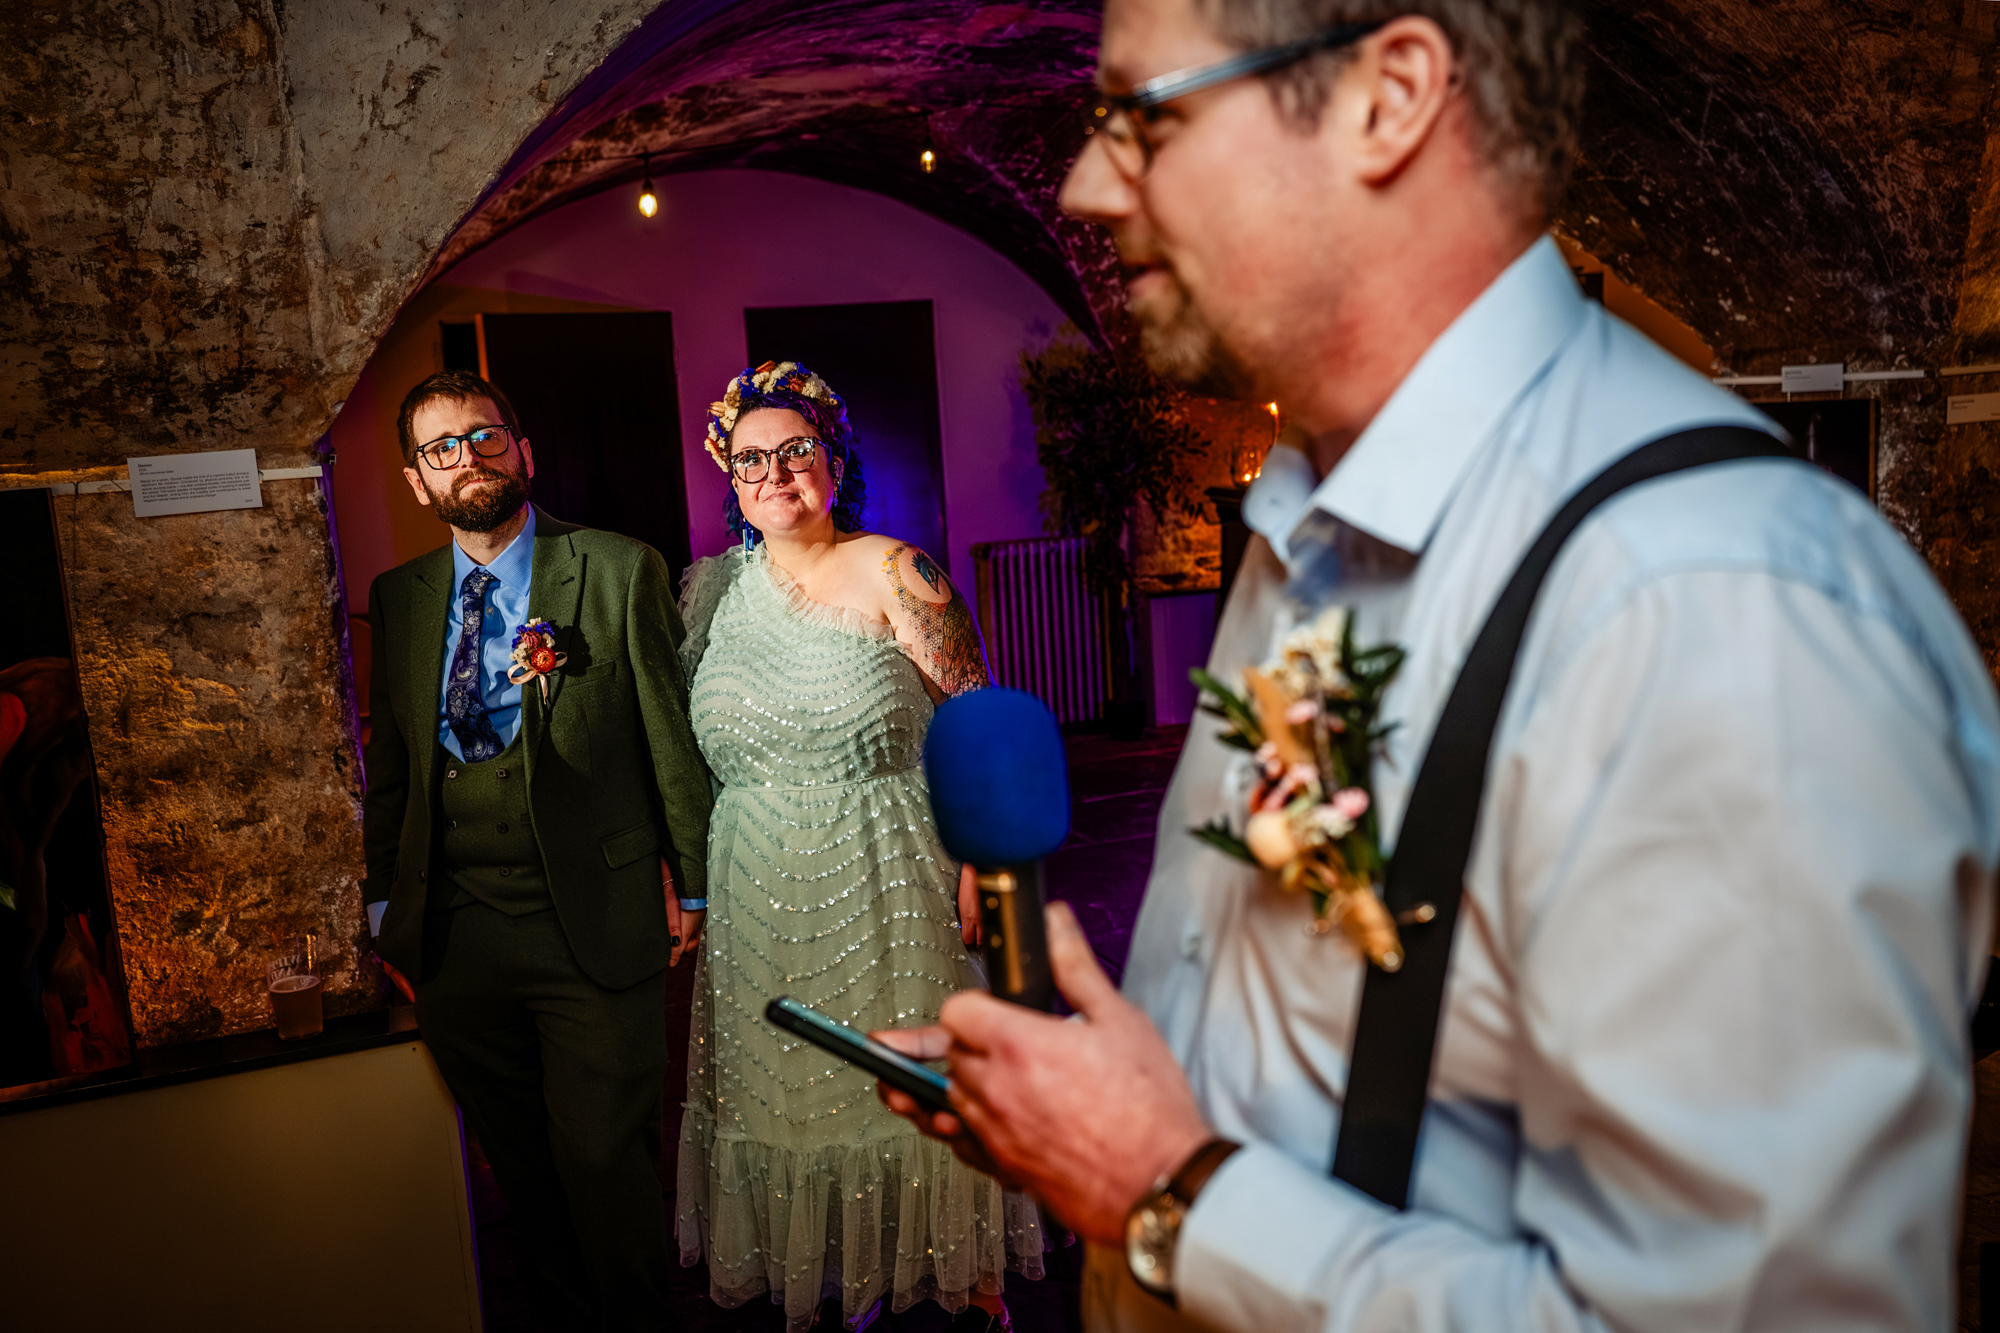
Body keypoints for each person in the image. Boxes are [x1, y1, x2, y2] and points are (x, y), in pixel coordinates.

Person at [877, 1, 2000, 1329]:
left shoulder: (1713, 611)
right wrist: (1099, 1102)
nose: (1086, 182)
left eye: (1146, 116)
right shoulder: (1311, 512)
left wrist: (1172, 1193)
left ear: (1389, 94)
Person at [674, 361, 1040, 1332]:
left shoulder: (896, 568)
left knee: (903, 1080)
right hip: (755, 874)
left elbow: (980, 722)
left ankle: (955, 1274)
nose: (775, 473)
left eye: (796, 450)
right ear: (730, 478)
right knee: (794, 1093)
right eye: (751, 459)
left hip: (887, 866)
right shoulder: (708, 593)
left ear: (833, 457)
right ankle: (839, 1268)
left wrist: (980, 861)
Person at [360, 370, 713, 1330]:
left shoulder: (614, 566)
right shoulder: (398, 598)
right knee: (520, 1164)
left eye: (484, 436)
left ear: (523, 450)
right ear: (416, 480)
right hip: (457, 938)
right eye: (443, 448)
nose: (466, 457)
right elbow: (390, 763)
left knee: (603, 1158)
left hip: (591, 922)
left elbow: (667, 735)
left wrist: (697, 881)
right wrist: (384, 908)